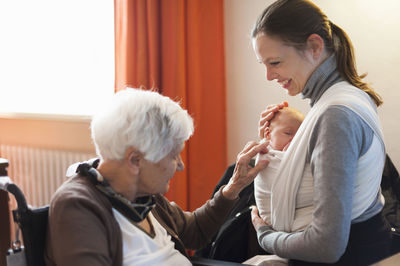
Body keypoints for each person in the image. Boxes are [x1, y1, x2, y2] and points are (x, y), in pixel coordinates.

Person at [45, 88, 269, 266]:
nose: (180, 165)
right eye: (173, 155)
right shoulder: (78, 207)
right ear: (135, 160)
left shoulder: (140, 195)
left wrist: (234, 187)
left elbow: (195, 231)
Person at [249, 0, 392, 265]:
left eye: (276, 62)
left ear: (314, 46)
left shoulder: (335, 114)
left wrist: (265, 235)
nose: (269, 76)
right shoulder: (348, 97)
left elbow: (326, 245)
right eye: (264, 65)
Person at [254, 106, 308, 232]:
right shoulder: (266, 156)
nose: (295, 141)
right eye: (288, 133)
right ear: (267, 134)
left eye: (300, 136)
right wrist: (286, 159)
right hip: (275, 218)